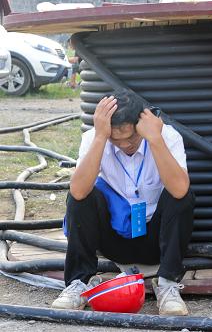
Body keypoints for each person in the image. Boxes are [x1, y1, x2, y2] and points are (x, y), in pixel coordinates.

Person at [51, 90, 195, 315]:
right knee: (80, 197)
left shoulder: (167, 136)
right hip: (114, 238)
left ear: (143, 123)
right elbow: (78, 192)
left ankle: (167, 284)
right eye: (115, 139)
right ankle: (78, 284)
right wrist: (100, 138)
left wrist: (154, 139)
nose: (125, 144)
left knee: (181, 195)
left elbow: (179, 190)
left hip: (156, 239)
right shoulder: (94, 138)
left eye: (131, 137)